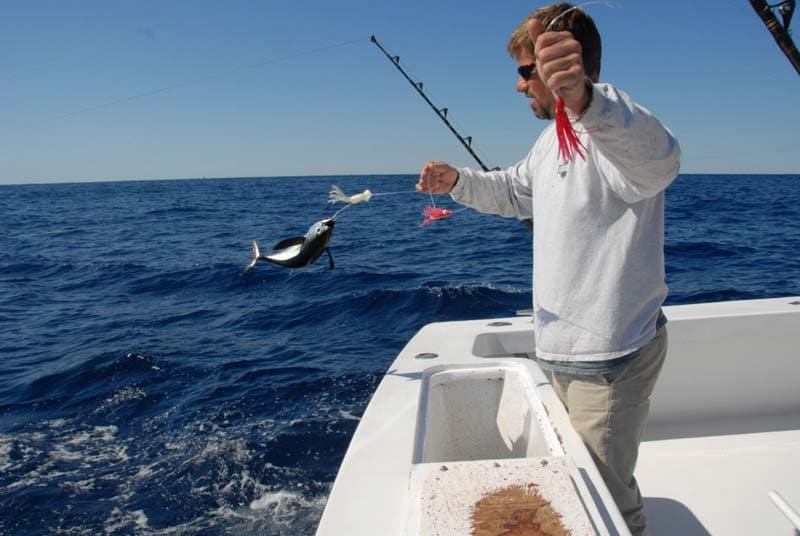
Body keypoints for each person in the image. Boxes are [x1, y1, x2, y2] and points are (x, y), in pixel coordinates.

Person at [416, 3, 680, 535]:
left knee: (604, 497)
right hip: (563, 348)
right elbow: (516, 191)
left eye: (524, 70)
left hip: (609, 358)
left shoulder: (615, 128)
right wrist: (458, 182)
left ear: (570, 64)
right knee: (579, 480)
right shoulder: (551, 139)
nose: (519, 86)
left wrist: (585, 98)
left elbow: (661, 160)